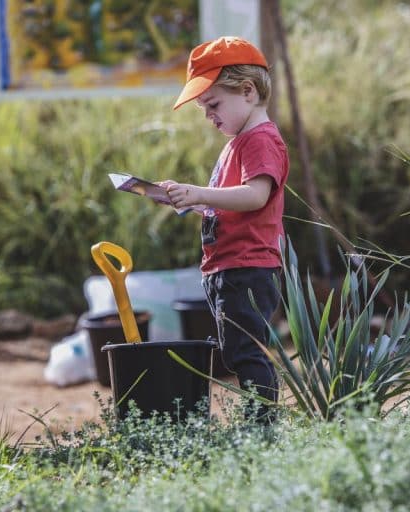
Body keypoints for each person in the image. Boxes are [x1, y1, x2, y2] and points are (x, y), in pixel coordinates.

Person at [165, 36, 289, 420]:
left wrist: (200, 192)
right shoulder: (239, 141)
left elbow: (255, 196)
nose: (209, 115)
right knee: (238, 350)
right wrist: (190, 199)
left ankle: (261, 425)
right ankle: (258, 421)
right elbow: (231, 203)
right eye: (204, 107)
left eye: (213, 104)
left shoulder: (260, 140)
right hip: (228, 266)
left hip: (247, 266)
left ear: (248, 91)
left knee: (248, 352)